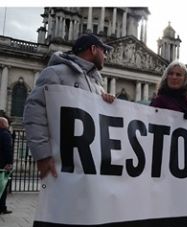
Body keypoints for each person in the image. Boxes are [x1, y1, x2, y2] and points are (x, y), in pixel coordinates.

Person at [23, 34, 115, 179]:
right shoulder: (55, 73)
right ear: (93, 49)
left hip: (90, 164)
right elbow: (34, 111)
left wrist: (108, 103)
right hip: (64, 162)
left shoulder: (97, 85)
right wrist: (42, 155)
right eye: (104, 51)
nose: (106, 57)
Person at [0, 117, 13, 214]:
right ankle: (2, 207)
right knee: (3, 186)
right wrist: (9, 163)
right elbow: (8, 150)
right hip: (3, 165)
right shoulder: (5, 134)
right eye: (7, 123)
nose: (8, 125)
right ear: (3, 124)